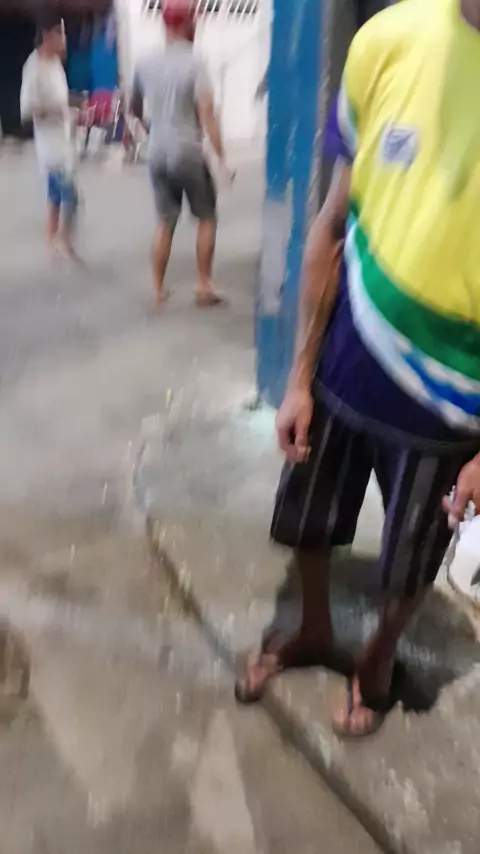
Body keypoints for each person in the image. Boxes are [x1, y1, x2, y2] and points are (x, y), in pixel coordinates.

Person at [236, 0, 480, 738]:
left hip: (452, 403)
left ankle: (376, 665)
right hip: (345, 361)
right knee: (307, 523)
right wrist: (298, 379)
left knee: (408, 566)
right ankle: (312, 629)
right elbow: (332, 223)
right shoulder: (388, 40)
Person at [130, 0, 232, 308]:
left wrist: (150, 129)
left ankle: (157, 289)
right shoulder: (195, 62)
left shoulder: (145, 62)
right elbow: (207, 113)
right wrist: (222, 158)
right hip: (187, 150)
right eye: (194, 20)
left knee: (165, 220)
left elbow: (134, 107)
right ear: (186, 23)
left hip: (157, 150)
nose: (197, 25)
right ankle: (203, 285)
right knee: (206, 216)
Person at [20, 13, 80, 260]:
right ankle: (64, 242)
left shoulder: (55, 63)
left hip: (63, 141)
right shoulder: (33, 68)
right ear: (47, 36)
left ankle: (51, 240)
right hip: (50, 146)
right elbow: (28, 111)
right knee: (70, 197)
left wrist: (76, 106)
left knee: (55, 196)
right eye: (60, 34)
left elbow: (61, 98)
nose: (64, 40)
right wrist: (60, 111)